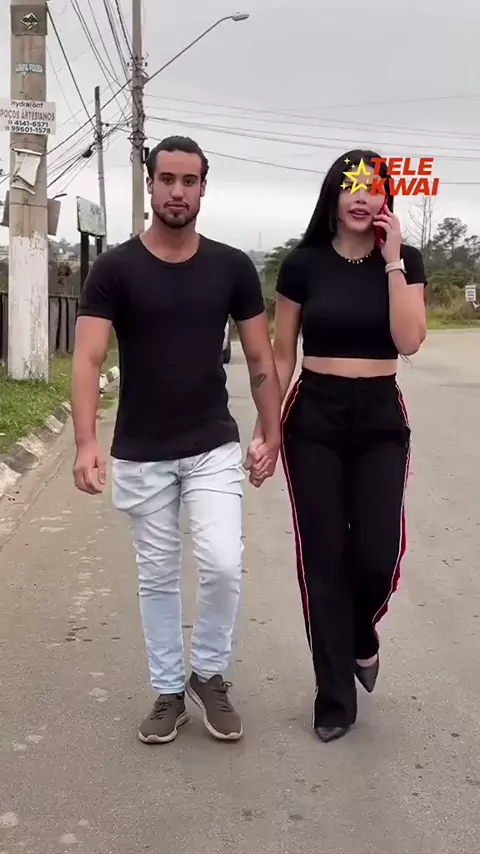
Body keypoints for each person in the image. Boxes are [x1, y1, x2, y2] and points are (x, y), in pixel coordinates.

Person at [71, 136, 281, 745]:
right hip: (141, 450)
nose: (177, 192)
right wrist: (85, 442)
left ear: (203, 188)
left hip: (211, 443)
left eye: (189, 181)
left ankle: (208, 673)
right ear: (151, 185)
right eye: (167, 180)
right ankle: (168, 690)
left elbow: (260, 356)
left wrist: (272, 432)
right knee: (158, 575)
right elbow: (87, 357)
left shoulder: (231, 267)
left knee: (222, 563)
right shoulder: (116, 269)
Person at [247, 149, 427, 743]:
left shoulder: (406, 261)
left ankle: (360, 633)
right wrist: (267, 428)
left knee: (378, 553)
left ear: (386, 198)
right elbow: (281, 355)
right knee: (321, 557)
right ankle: (333, 697)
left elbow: (409, 340)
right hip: (315, 418)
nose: (362, 195)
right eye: (351, 185)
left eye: (374, 186)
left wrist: (393, 261)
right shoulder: (303, 265)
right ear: (333, 193)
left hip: (379, 418)